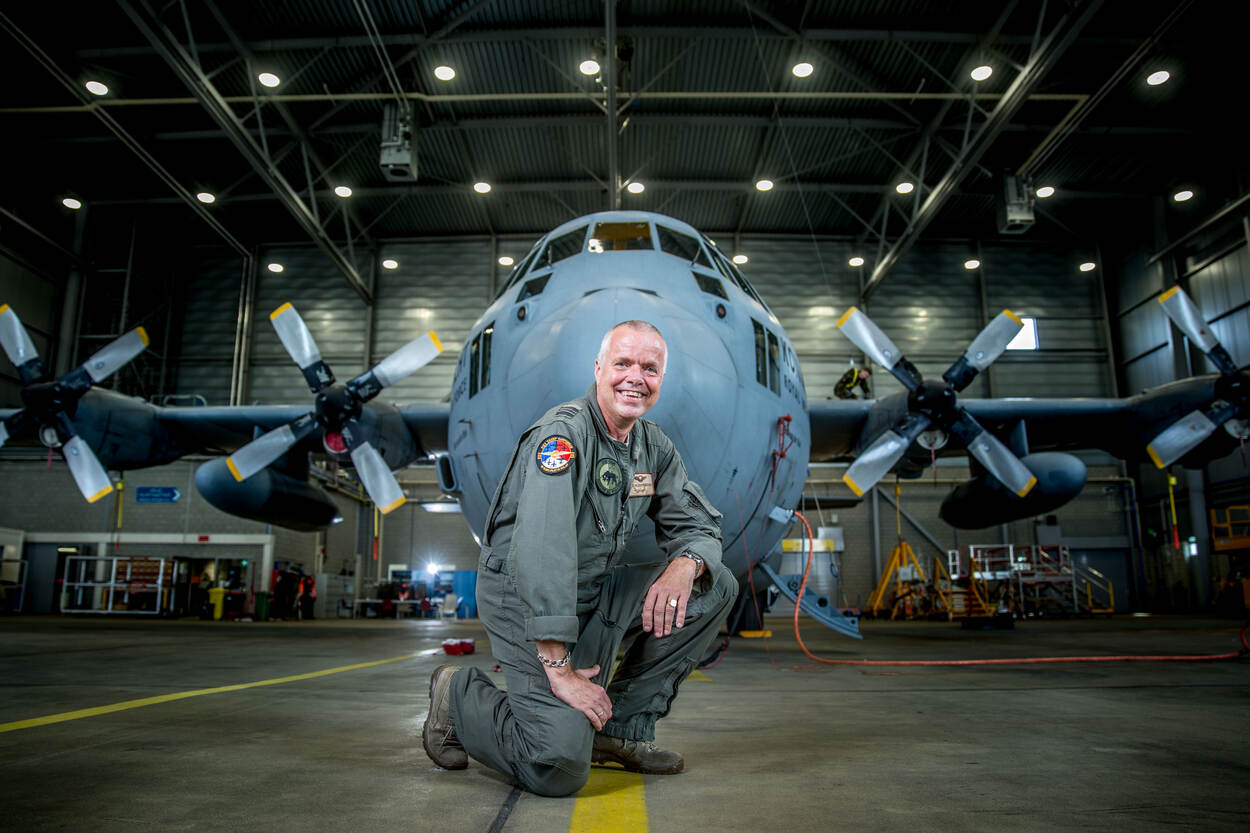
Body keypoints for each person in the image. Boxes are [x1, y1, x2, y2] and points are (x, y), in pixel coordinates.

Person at [422, 320, 735, 797]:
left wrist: (685, 563)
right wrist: (561, 670)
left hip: (592, 589)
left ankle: (619, 732)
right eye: (623, 364)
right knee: (556, 767)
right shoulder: (563, 437)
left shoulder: (652, 446)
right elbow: (542, 555)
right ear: (598, 369)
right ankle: (458, 697)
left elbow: (698, 524)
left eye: (650, 369)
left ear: (661, 379)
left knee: (714, 584)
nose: (635, 378)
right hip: (524, 599)